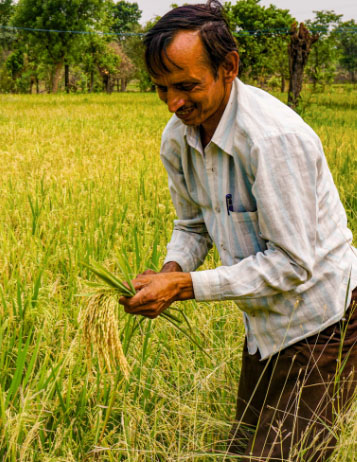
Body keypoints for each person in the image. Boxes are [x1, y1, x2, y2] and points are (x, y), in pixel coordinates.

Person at [119, 1, 357, 460]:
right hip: (265, 324)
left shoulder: (272, 139)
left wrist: (185, 286)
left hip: (323, 322)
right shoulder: (179, 137)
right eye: (161, 89)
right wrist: (169, 269)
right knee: (244, 449)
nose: (173, 103)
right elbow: (192, 225)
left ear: (229, 67)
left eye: (186, 86)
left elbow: (293, 265)